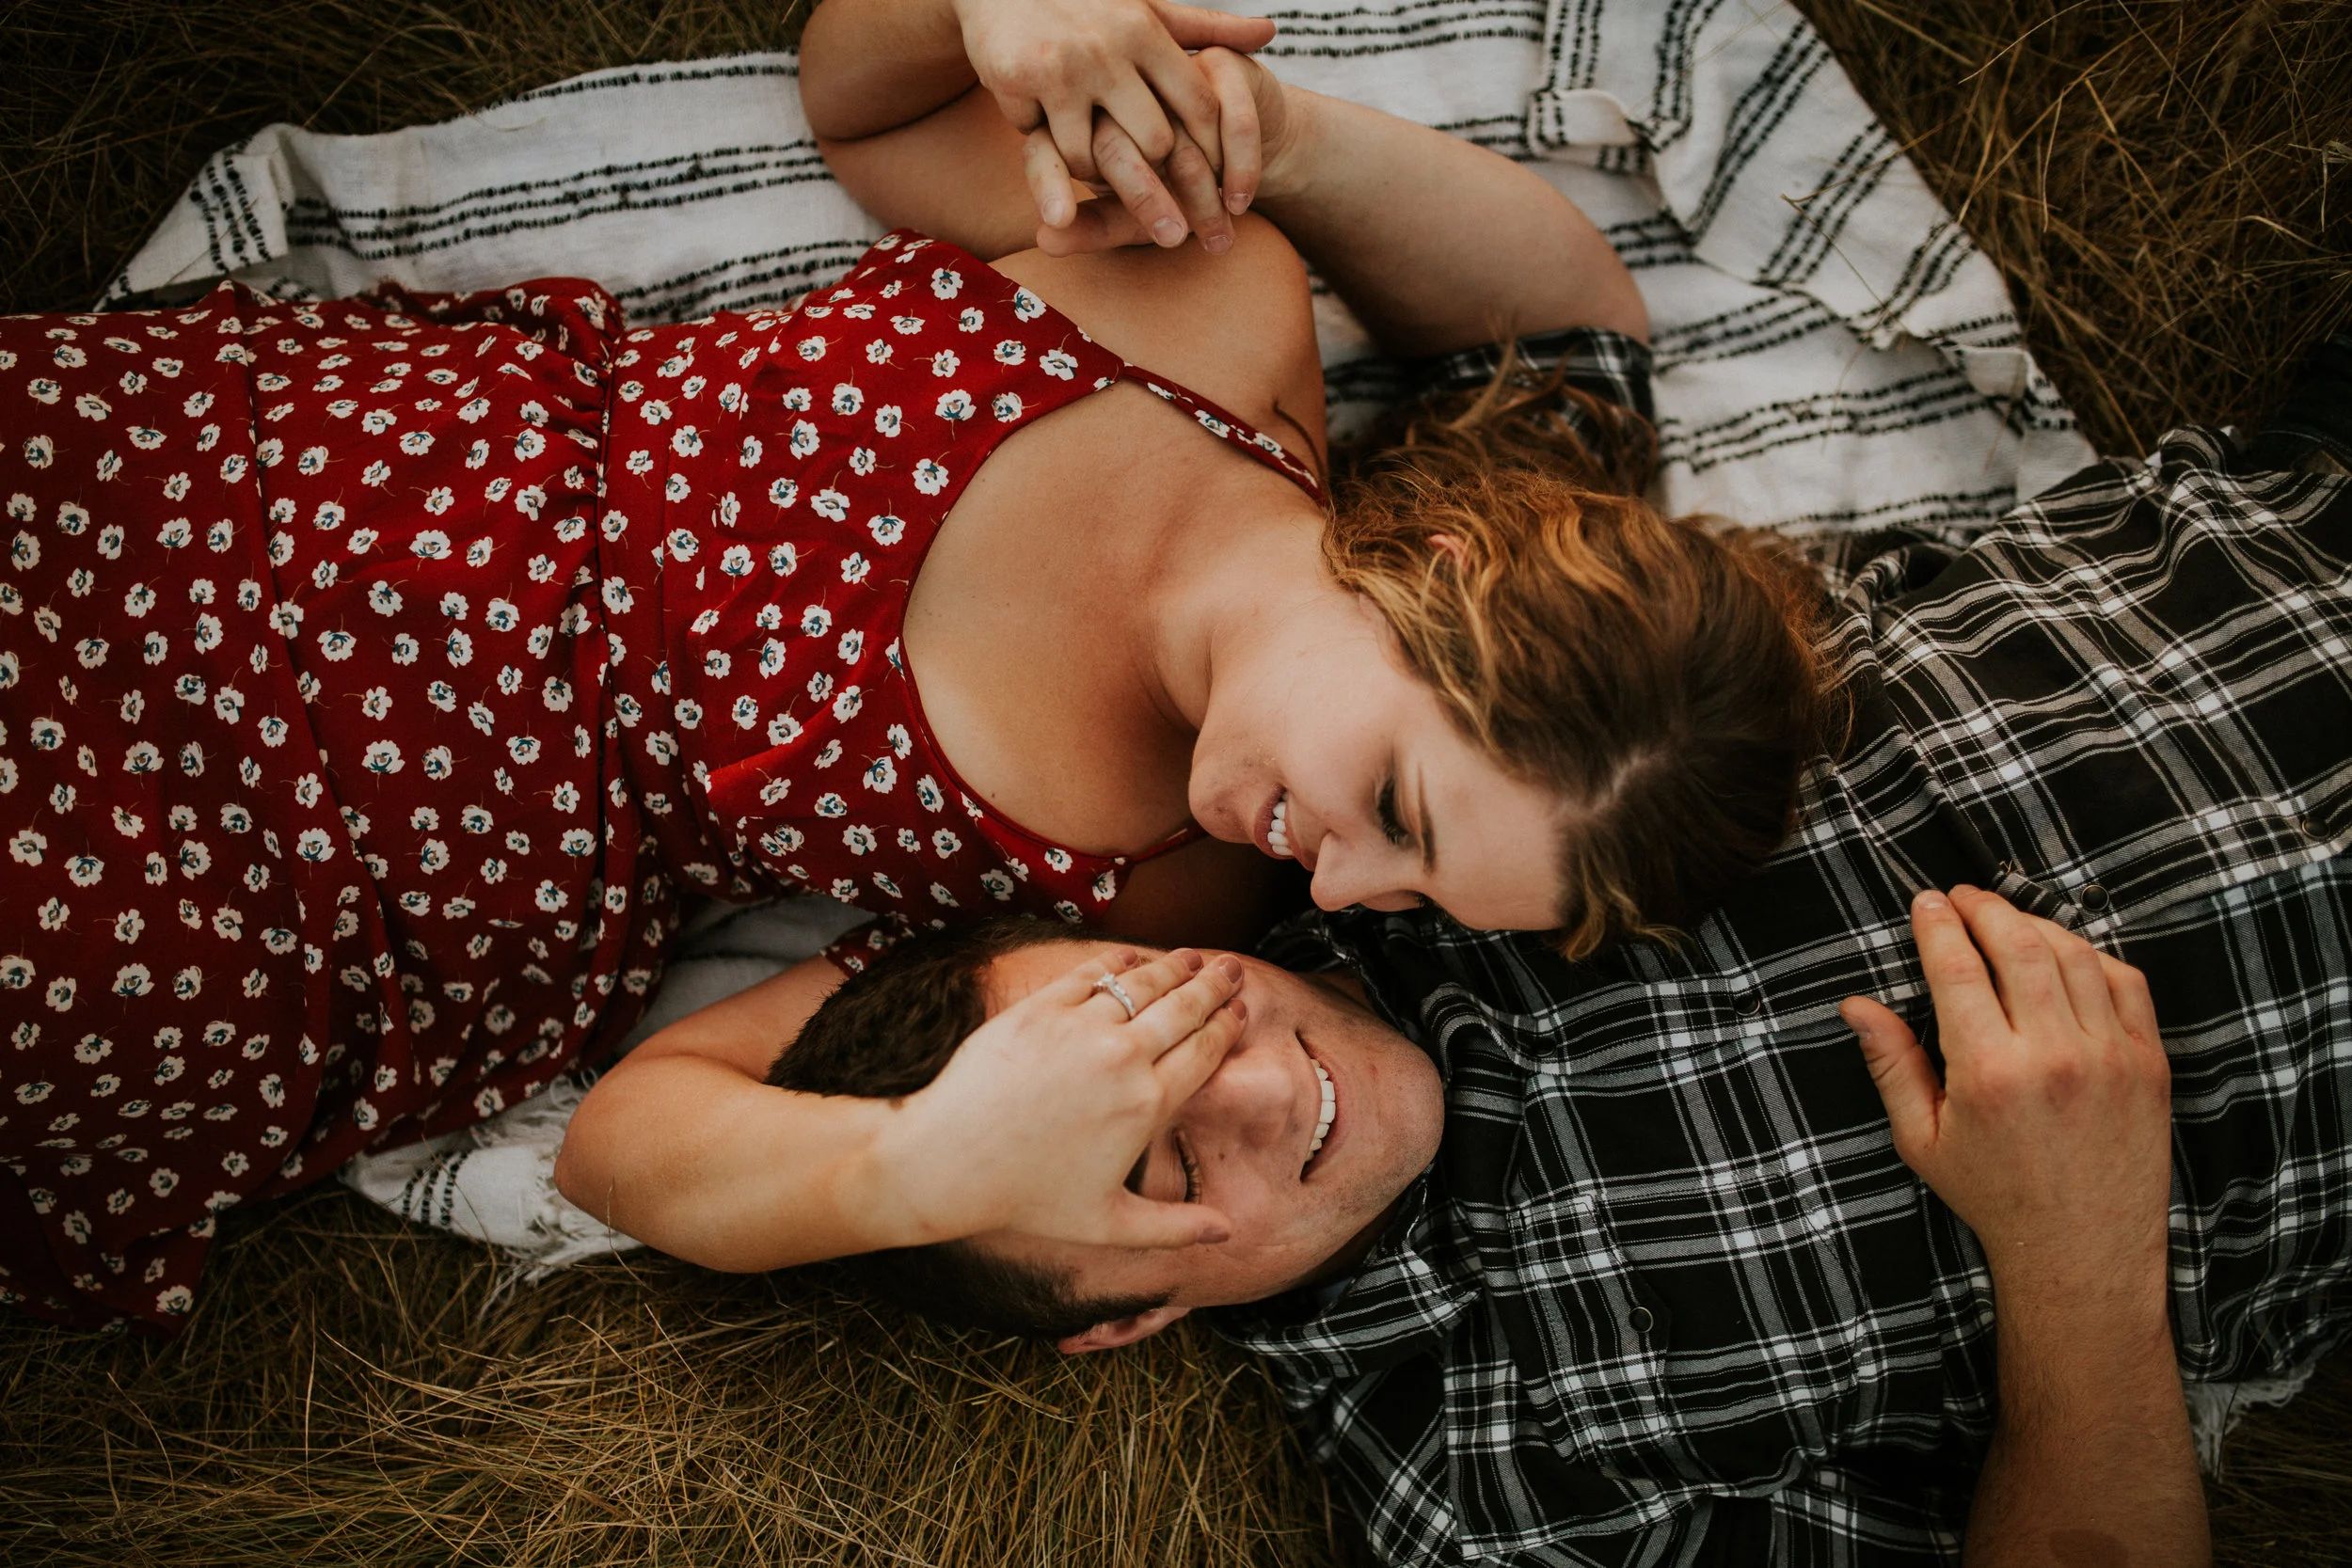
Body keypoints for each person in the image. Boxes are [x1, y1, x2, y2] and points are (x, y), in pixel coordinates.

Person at [0, 3, 1823, 1328]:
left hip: (351, 866)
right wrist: (1048, 26)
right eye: (1395, 804)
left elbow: (637, 1132)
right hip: (327, 483)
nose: (1336, 876)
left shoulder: (1162, 880)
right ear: (1439, 574)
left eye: (1408, 883)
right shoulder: (1199, 297)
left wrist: (919, 1168)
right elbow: (866, 104)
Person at [761, 356, 2352, 1562]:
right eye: (1162, 1168)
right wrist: (2079, 1270)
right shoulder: (1496, 1486)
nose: (1248, 1077)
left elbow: (1560, 382)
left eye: (1154, 1023)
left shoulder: (1348, 825)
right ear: (1116, 1320)